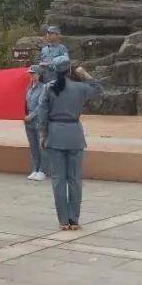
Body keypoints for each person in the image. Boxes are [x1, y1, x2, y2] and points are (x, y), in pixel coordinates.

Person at [37, 56, 103, 231]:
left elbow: (42, 115)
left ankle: (63, 221)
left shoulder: (48, 88)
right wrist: (84, 74)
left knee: (58, 180)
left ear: (54, 71)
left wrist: (43, 135)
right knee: (74, 179)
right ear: (69, 71)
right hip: (74, 134)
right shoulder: (80, 88)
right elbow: (98, 89)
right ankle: (74, 220)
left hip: (55, 134)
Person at [23, 64, 47, 182]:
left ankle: (42, 170)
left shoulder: (43, 88)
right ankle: (35, 169)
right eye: (30, 74)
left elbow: (41, 105)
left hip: (38, 120)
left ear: (39, 75)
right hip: (28, 121)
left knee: (41, 146)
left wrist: (31, 116)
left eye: (34, 73)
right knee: (33, 147)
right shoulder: (28, 88)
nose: (31, 75)